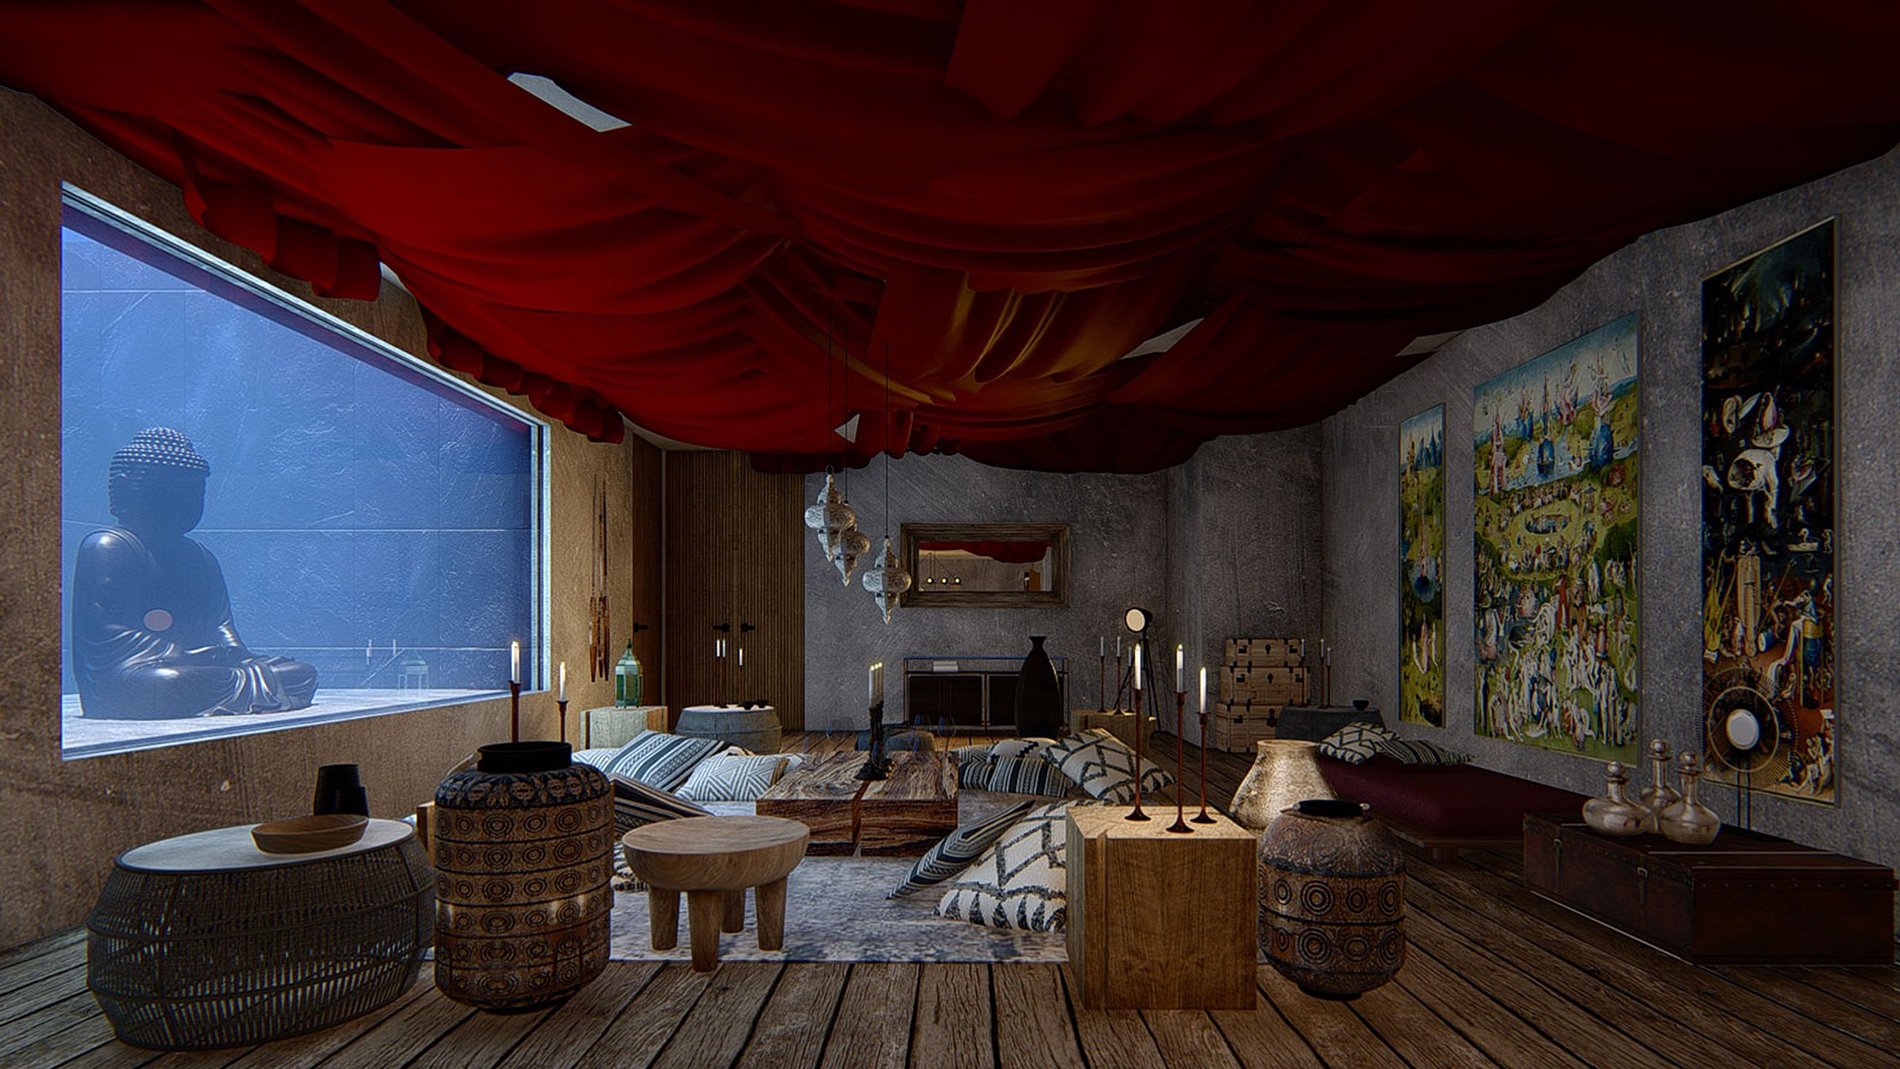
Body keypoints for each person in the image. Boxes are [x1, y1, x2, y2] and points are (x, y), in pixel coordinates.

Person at [71, 428, 318, 719]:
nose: (186, 502)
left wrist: (234, 652)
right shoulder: (108, 546)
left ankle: (231, 685)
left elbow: (220, 624)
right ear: (128, 488)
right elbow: (102, 632)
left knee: (299, 673)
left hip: (202, 666)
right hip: (134, 672)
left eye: (195, 493)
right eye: (172, 493)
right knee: (170, 682)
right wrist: (178, 653)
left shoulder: (200, 556)